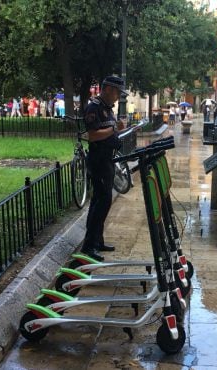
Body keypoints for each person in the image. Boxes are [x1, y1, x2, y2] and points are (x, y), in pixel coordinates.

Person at [81, 76, 129, 261]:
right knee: (102, 202)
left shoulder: (107, 108)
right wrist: (114, 129)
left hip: (107, 159)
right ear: (108, 89)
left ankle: (97, 240)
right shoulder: (94, 107)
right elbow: (92, 135)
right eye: (117, 92)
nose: (118, 97)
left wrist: (123, 130)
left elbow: (110, 132)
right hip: (99, 160)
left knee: (102, 201)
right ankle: (89, 245)